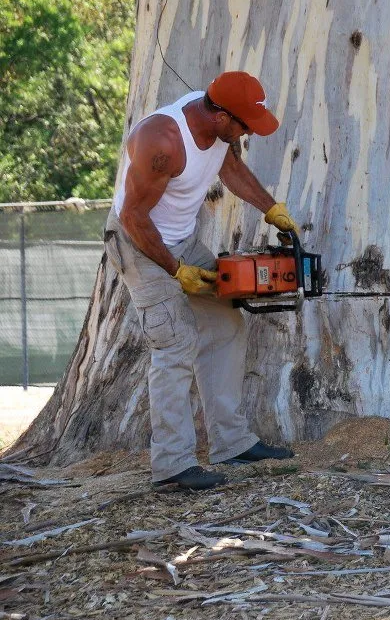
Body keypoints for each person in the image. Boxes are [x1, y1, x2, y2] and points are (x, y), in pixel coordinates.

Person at [103, 71, 298, 490]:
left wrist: (271, 208)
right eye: (245, 125)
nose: (248, 133)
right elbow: (133, 218)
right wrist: (176, 272)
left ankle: (232, 442)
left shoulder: (220, 129)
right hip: (138, 243)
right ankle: (172, 465)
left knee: (226, 323)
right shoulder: (162, 140)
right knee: (174, 343)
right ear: (222, 116)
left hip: (180, 240)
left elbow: (231, 170)